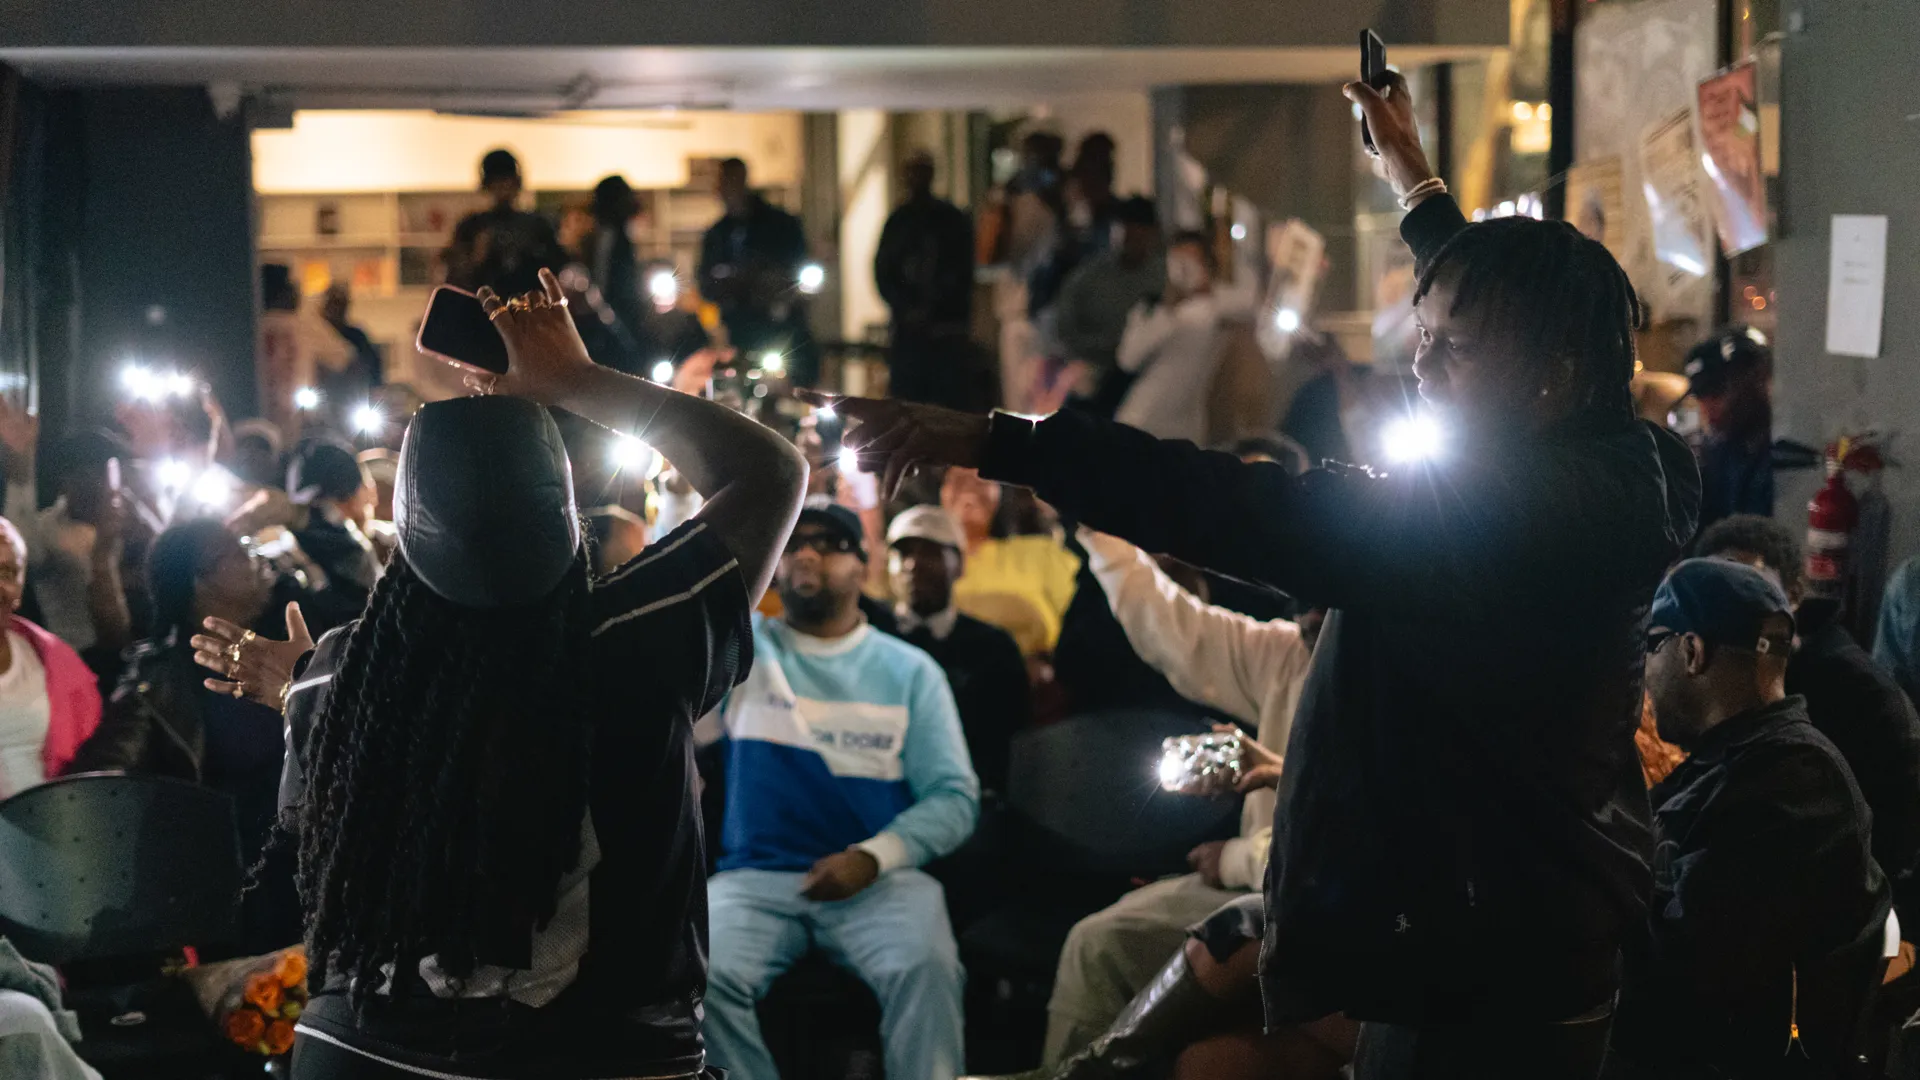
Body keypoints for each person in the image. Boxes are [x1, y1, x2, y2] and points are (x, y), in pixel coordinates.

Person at [815, 69, 1698, 1080]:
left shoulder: (1489, 523)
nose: (1421, 367)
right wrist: (1412, 181)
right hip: (1505, 916)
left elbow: (1231, 505)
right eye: (1423, 336)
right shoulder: (1621, 458)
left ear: (1553, 375)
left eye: (1452, 349)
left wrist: (996, 440)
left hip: (1487, 953)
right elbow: (1509, 307)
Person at [201, 265, 808, 1079]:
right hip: (596, 1061)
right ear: (568, 519)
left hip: (358, 1052)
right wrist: (578, 380)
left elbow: (334, 814)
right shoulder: (636, 637)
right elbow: (771, 474)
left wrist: (303, 690)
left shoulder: (342, 679)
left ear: (403, 537)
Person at [697, 500, 979, 1080]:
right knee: (698, 972)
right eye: (793, 543)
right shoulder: (741, 652)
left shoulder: (911, 672)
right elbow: (682, 691)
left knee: (926, 968)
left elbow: (954, 797)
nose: (805, 554)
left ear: (863, 567)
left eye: (828, 543)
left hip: (880, 881)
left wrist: (872, 858)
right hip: (755, 879)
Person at [1608, 559, 1890, 1078]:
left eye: (1652, 645)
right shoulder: (1743, 765)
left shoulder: (1794, 781)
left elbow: (1682, 982)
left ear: (1691, 652)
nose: (1645, 673)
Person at [67, 518, 306, 953]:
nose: (254, 556)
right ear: (200, 581)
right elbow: (101, 779)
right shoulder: (159, 680)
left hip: (314, 869)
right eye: (237, 550)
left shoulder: (284, 643)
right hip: (238, 898)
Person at [1695, 514, 1920, 944]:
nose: (1732, 605)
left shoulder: (1841, 686)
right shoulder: (1739, 668)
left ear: (1794, 593)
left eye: (1749, 585)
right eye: (1716, 591)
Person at [884, 504, 1030, 795]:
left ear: (959, 564)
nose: (913, 565)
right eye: (903, 553)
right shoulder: (872, 635)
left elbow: (1010, 736)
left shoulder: (993, 647)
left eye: (930, 553)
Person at [0, 413, 135, 676]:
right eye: (90, 472)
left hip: (133, 653)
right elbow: (17, 544)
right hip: (77, 659)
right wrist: (21, 475)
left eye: (107, 471)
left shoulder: (130, 520)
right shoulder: (48, 529)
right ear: (67, 479)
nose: (102, 482)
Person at [0, 517, 103, 799]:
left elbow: (91, 760)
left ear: (20, 589)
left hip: (51, 819)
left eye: (6, 572)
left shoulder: (55, 661)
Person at [697, 158, 818, 386]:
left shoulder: (780, 225)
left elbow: (797, 272)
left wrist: (767, 281)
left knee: (789, 387)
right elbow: (705, 283)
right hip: (741, 329)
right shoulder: (718, 234)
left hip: (781, 326)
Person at [941, 466, 1080, 659]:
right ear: (941, 493)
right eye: (958, 481)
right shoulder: (924, 565)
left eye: (982, 481)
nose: (970, 487)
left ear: (999, 494)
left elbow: (1081, 618)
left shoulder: (1040, 552)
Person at [875, 151, 978, 410]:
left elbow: (962, 272)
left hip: (945, 329)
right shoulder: (900, 221)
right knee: (909, 403)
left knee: (946, 402)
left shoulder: (950, 220)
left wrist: (941, 305)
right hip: (910, 331)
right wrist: (906, 307)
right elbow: (885, 271)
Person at [1050, 196, 1165, 420]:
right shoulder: (1089, 278)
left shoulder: (1163, 278)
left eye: (1140, 232)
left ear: (1152, 234)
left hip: (1148, 372)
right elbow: (1064, 328)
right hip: (1097, 370)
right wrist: (1103, 349)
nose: (1132, 239)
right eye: (1127, 231)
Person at [1111, 231, 1230, 445]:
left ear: (1207, 266)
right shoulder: (1163, 313)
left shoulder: (1213, 316)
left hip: (1178, 431)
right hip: (1143, 423)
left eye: (1189, 262)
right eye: (1176, 262)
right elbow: (1128, 358)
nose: (1181, 270)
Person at [1685, 326, 1775, 530]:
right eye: (1700, 395)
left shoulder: (1778, 453)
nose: (1707, 407)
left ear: (1756, 380)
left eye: (1717, 391)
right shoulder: (1714, 452)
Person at [446, 149, 566, 299]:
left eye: (506, 181)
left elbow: (556, 270)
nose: (502, 188)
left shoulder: (537, 225)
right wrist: (477, 258)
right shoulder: (472, 227)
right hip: (483, 305)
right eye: (496, 182)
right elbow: (455, 278)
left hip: (530, 304)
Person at [319, 285, 384, 420]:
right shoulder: (314, 334)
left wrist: (375, 389)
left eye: (340, 304)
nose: (336, 309)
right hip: (321, 396)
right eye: (333, 304)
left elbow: (372, 363)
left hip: (351, 399)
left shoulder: (357, 336)